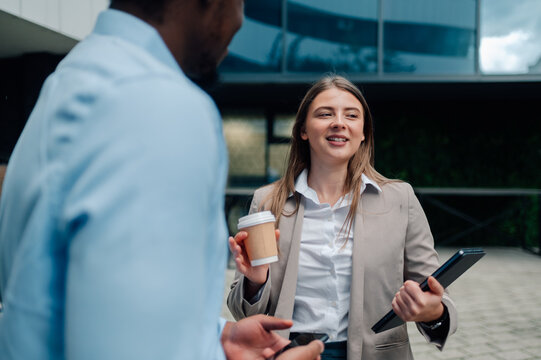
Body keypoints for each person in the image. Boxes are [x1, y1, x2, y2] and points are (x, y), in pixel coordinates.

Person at [0, 0, 324, 359]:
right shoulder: (160, 107)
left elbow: (68, 302)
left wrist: (215, 337)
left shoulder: (70, 80)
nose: (240, 22)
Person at [227, 75, 458, 360]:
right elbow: (242, 314)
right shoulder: (267, 202)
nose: (339, 122)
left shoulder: (400, 199)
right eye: (325, 114)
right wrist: (255, 283)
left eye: (351, 115)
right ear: (303, 130)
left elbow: (436, 295)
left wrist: (432, 311)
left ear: (363, 133)